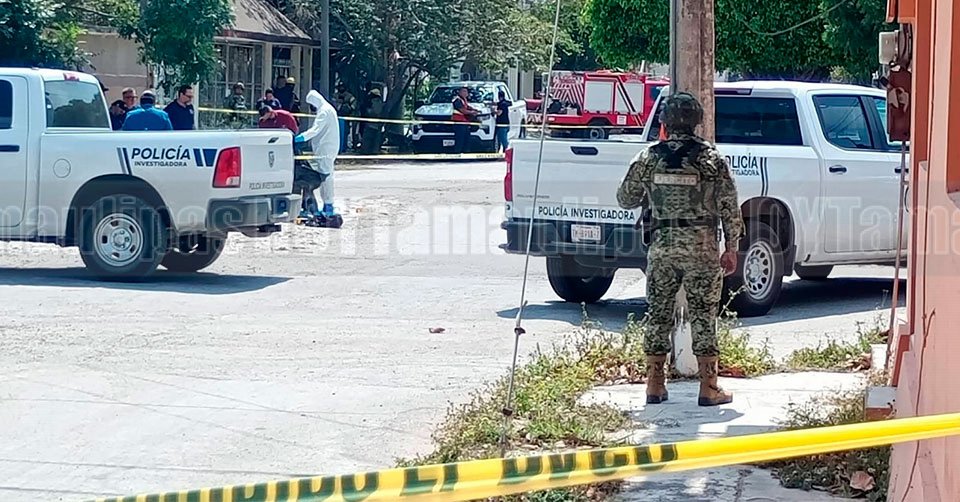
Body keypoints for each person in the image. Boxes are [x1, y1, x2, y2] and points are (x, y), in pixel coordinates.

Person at [615, 92, 744, 407]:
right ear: (697, 121)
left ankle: (655, 385)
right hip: (702, 249)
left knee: (658, 314)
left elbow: (625, 199)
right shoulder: (712, 159)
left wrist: (652, 191)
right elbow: (729, 207)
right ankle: (709, 387)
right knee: (704, 315)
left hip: (662, 248)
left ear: (664, 121)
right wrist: (732, 248)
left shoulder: (648, 158)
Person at [294, 90, 341, 220]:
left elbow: (315, 130)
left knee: (326, 178)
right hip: (326, 149)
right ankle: (327, 205)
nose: (312, 108)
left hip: (326, 149)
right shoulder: (327, 109)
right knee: (325, 176)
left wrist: (300, 138)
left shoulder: (324, 111)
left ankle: (328, 205)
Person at [451, 86, 479, 154]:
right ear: (460, 92)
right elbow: (462, 110)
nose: (466, 93)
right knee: (460, 140)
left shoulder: (463, 100)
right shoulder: (457, 100)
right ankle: (457, 154)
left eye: (466, 91)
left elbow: (467, 107)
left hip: (465, 122)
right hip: (459, 123)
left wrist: (474, 110)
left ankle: (466, 154)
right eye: (464, 91)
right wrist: (472, 112)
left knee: (466, 139)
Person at [360, 88, 383, 154]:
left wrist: (367, 110)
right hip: (373, 125)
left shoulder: (376, 102)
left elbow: (374, 112)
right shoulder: (377, 102)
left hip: (371, 125)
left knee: (368, 144)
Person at [335, 83, 357, 152]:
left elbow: (354, 104)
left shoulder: (349, 96)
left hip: (346, 118)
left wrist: (348, 109)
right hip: (336, 117)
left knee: (345, 133)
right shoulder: (335, 95)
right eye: (340, 87)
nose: (341, 88)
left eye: (342, 87)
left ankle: (344, 147)